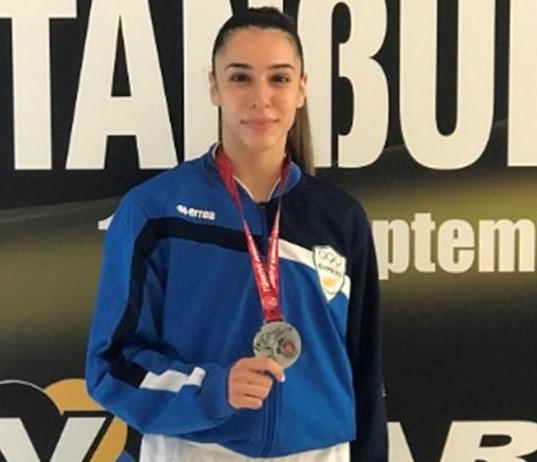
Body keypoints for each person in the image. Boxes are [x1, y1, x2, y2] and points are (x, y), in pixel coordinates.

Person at [86, 7, 387, 461]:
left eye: (279, 78)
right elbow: (110, 365)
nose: (260, 98)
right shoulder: (155, 212)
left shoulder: (340, 219)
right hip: (194, 450)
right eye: (240, 77)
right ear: (214, 87)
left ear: (302, 89)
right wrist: (211, 388)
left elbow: (365, 373)